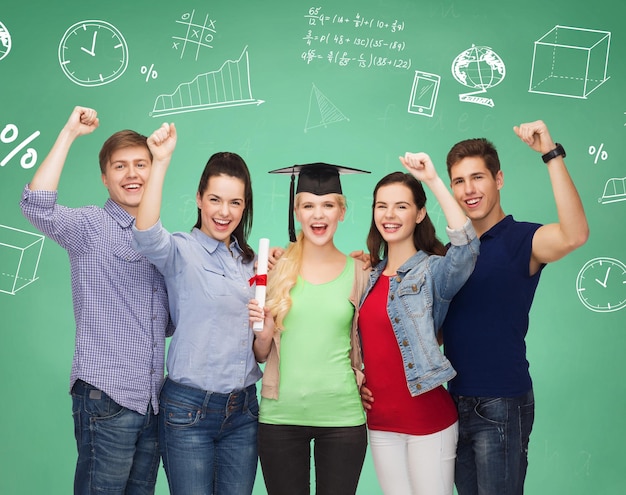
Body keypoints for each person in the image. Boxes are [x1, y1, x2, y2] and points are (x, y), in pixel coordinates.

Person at [20, 106, 171, 495]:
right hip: (108, 398)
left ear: (154, 172)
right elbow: (37, 206)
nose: (133, 174)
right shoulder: (90, 226)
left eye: (141, 164)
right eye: (120, 167)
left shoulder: (161, 242)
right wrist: (70, 132)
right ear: (105, 178)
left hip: (152, 403)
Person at [440, 120, 589, 494]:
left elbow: (575, 234)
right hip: (452, 401)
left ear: (499, 179)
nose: (469, 190)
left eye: (478, 177)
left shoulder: (523, 239)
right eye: (459, 181)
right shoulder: (450, 253)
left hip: (501, 403)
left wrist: (550, 155)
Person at [131, 123, 261, 495]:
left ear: (244, 206)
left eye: (235, 202)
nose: (224, 212)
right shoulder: (180, 251)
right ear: (199, 199)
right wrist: (160, 161)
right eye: (215, 199)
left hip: (244, 412)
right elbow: (145, 232)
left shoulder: (251, 264)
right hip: (188, 412)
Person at [358, 153, 479, 494]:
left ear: (420, 212)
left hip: (429, 420)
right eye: (381, 206)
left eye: (401, 206)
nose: (389, 215)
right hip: (380, 422)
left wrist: (433, 180)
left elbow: (467, 248)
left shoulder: (432, 271)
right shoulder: (366, 277)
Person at [249, 163, 370, 495]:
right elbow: (260, 354)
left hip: (342, 418)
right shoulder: (273, 270)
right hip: (280, 418)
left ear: (342, 212)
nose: (319, 215)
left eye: (329, 205)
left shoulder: (361, 272)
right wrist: (264, 326)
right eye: (309, 206)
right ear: (297, 212)